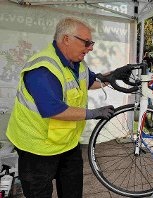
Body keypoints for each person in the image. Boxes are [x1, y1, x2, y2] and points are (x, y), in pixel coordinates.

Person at [5, 17, 123, 198]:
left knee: (72, 191)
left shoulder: (76, 63)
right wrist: (93, 113)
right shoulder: (43, 69)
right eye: (87, 42)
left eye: (91, 43)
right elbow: (54, 109)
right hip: (37, 148)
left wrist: (114, 75)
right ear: (66, 39)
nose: (91, 47)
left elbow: (91, 81)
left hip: (67, 143)